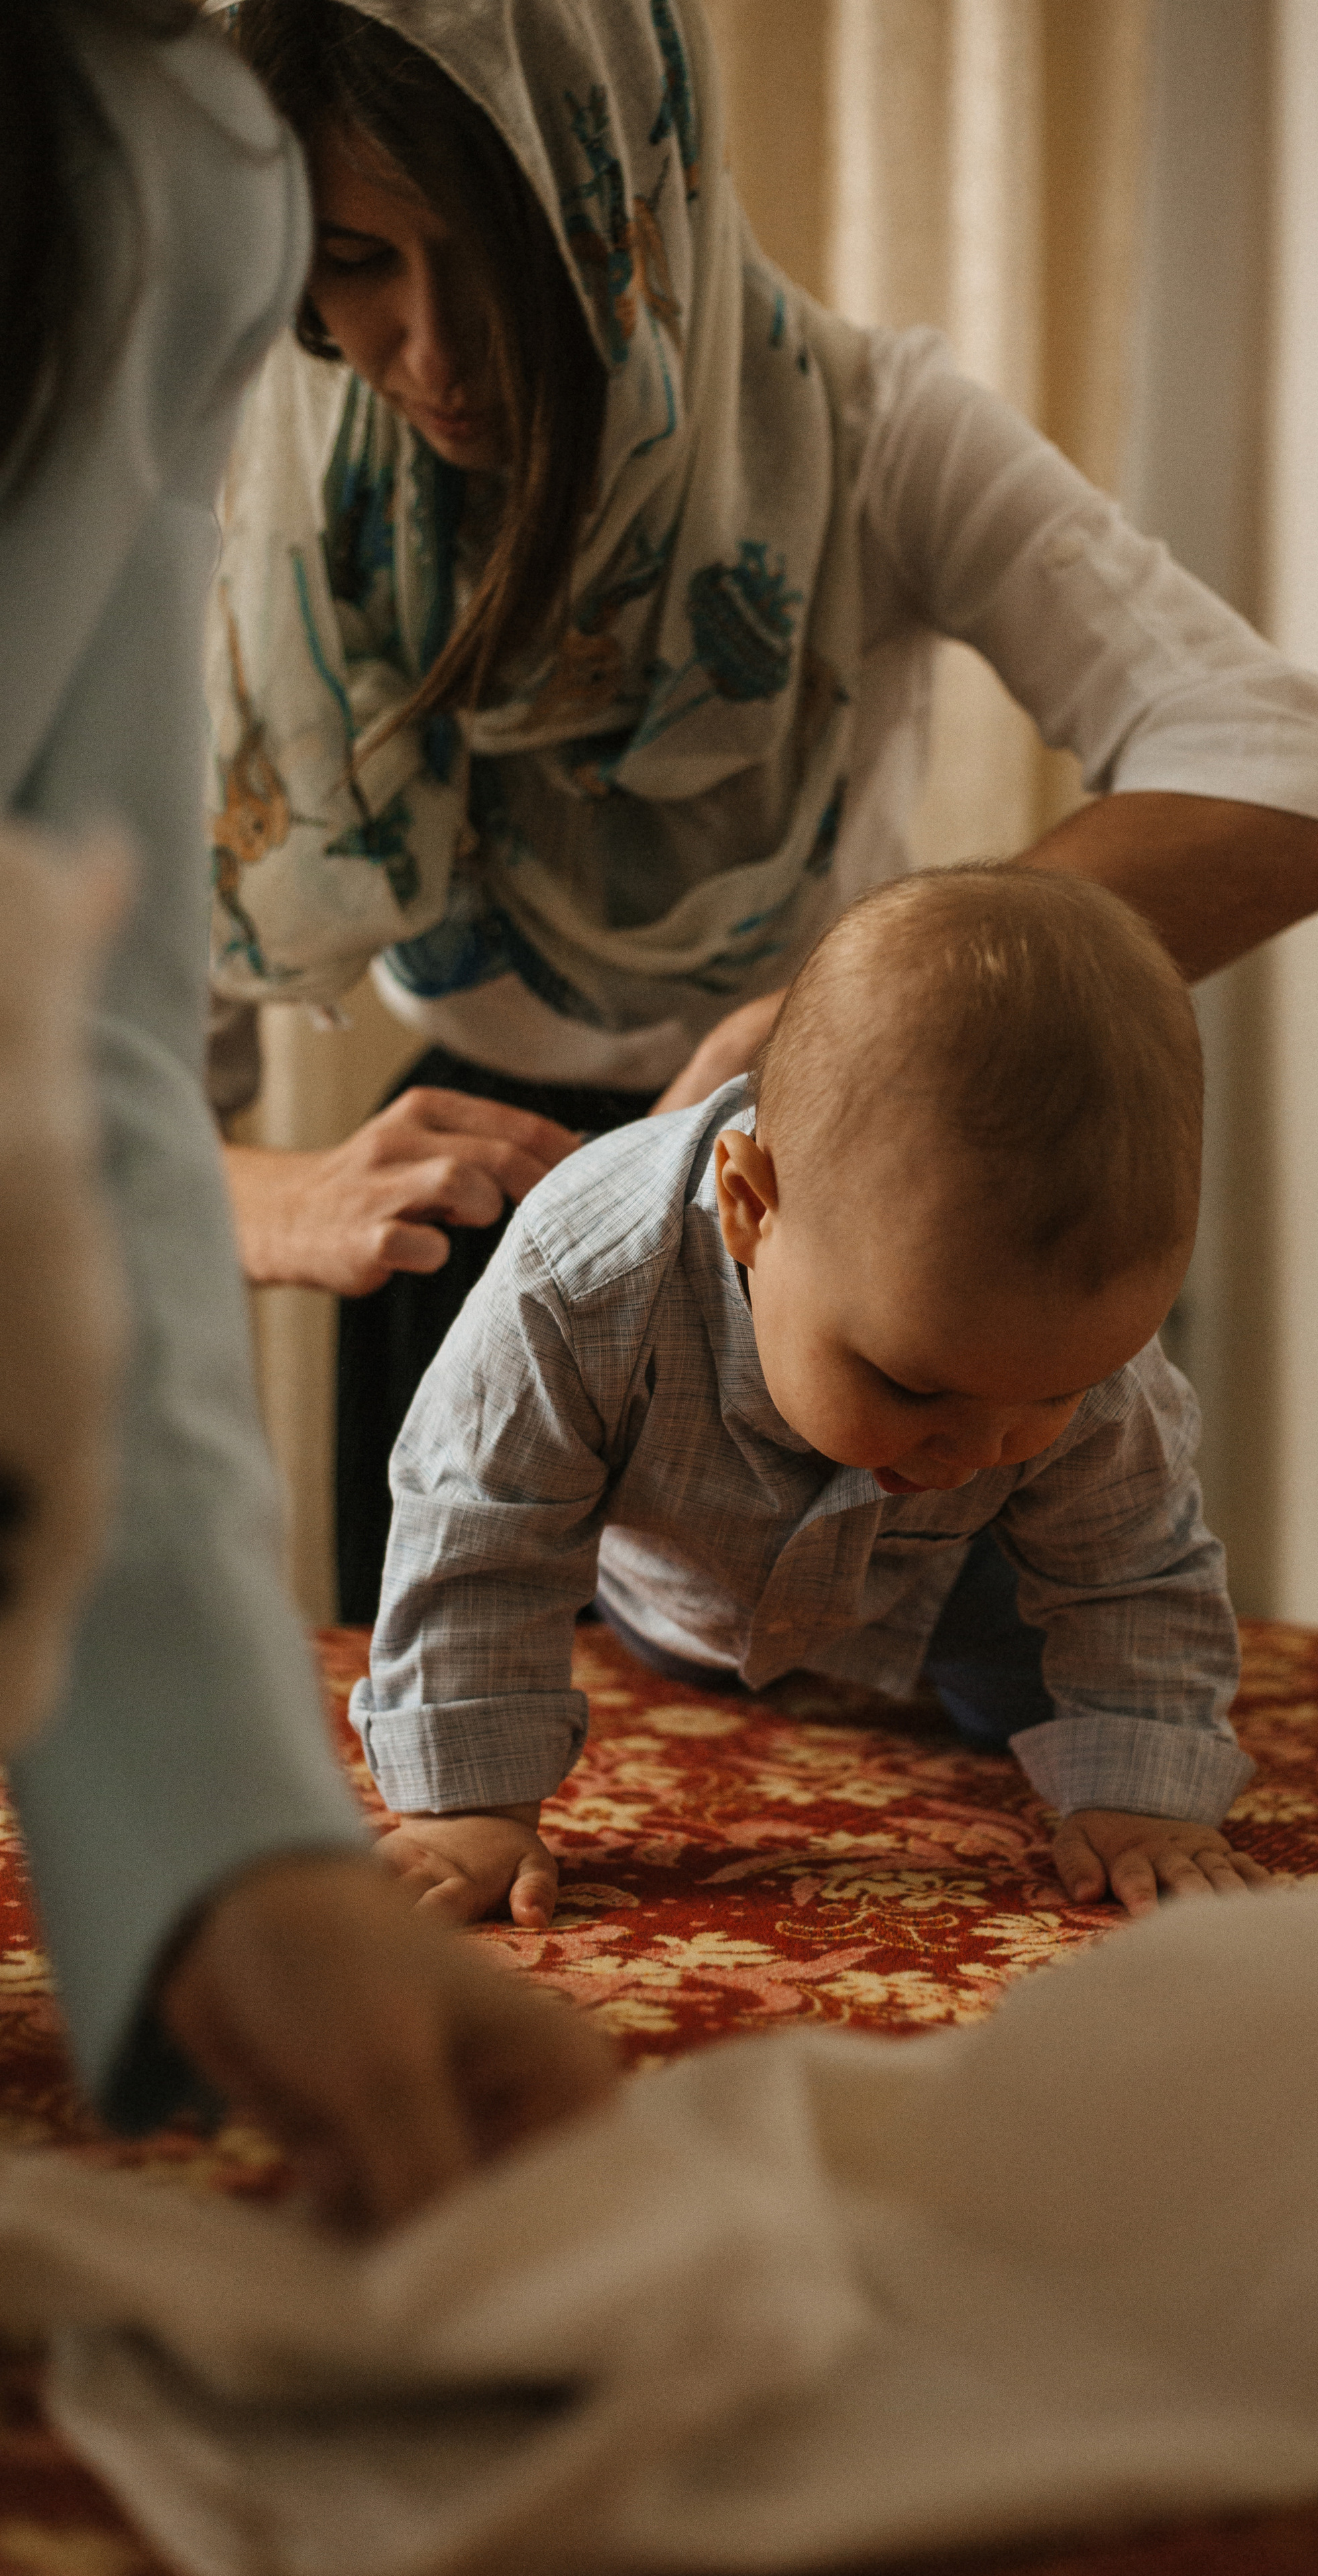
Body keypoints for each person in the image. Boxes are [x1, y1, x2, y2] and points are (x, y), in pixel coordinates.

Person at [207, 0, 1318, 1621]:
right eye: (352, 260)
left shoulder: (866, 434)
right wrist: (279, 1200)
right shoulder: (255, 520)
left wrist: (848, 1017)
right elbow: (99, 1087)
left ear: (634, 197)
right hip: (462, 1253)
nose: (429, 350)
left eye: (508, 255)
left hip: (844, 1247)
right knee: (463, 1757)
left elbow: (1289, 781)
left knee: (910, 1764)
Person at [1, 0, 614, 2231]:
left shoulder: (176, 171)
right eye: (371, 272)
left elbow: (76, 1026)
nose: (425, 345)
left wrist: (229, 1841)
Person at [356, 867, 1272, 1924]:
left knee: (1053, 1715)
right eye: (914, 1384)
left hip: (955, 1583)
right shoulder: (581, 1279)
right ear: (751, 1206)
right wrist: (469, 1806)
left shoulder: (1089, 1354)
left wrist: (1142, 1796)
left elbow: (1133, 1565)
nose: (972, 1450)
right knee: (638, 1633)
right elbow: (483, 1531)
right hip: (672, 1586)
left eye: (1050, 1396)